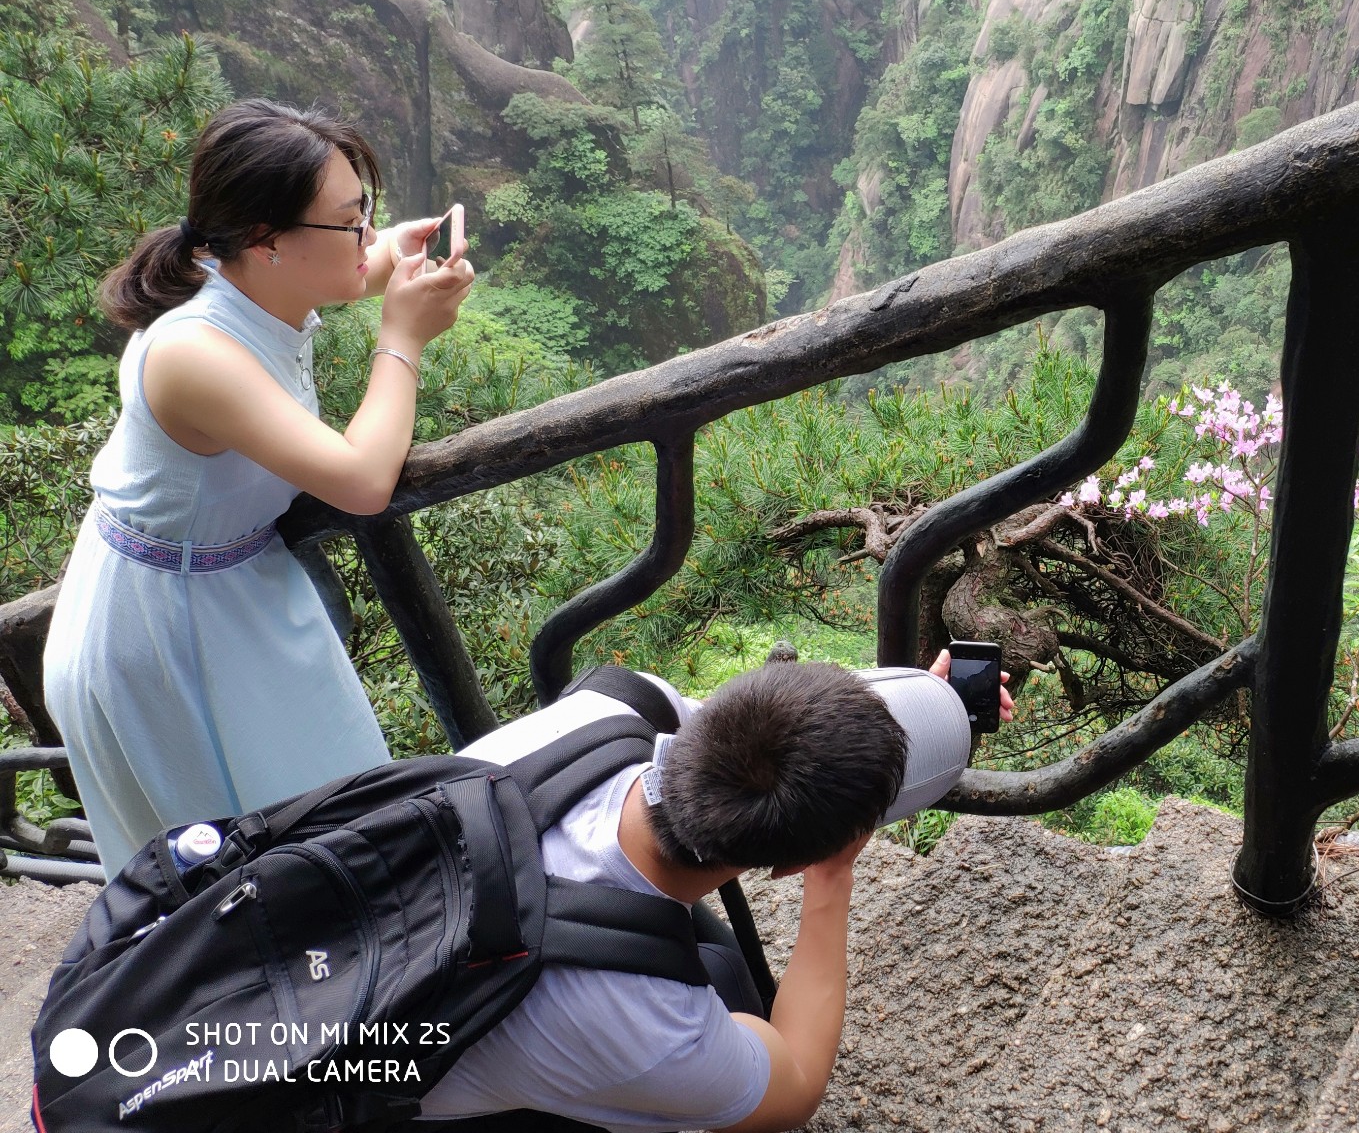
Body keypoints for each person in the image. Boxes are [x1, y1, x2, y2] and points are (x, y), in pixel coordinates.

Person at [41, 98, 476, 873]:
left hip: (233, 591)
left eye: (367, 210)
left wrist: (388, 259)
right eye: (352, 221)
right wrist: (403, 336)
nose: (368, 234)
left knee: (327, 819)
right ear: (267, 239)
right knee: (235, 872)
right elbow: (362, 481)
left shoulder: (236, 269)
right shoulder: (191, 354)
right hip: (161, 626)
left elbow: (330, 273)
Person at [415, 651, 1012, 1132]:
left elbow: (777, 748)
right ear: (789, 868)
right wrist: (832, 876)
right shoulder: (657, 1029)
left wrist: (887, 716)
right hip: (368, 1087)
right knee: (729, 987)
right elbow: (797, 1084)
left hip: (389, 912)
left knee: (720, 964)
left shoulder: (616, 704)